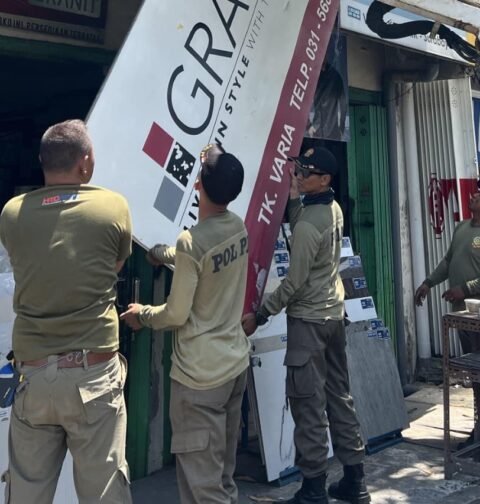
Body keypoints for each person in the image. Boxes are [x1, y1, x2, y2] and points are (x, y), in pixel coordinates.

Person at [0, 119, 133, 504]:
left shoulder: (12, 213)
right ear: (85, 162)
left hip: (34, 377)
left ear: (42, 161)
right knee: (104, 492)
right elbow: (113, 266)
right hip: (93, 376)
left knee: (25, 492)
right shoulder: (112, 207)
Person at [121, 144, 250, 504]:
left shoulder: (192, 242)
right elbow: (201, 260)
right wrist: (161, 254)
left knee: (204, 488)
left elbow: (176, 314)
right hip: (234, 366)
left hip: (200, 379)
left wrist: (142, 315)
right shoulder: (237, 228)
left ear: (198, 186)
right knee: (222, 478)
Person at [242, 147, 370, 504]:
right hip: (332, 316)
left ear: (324, 179)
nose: (298, 175)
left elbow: (294, 282)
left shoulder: (309, 225)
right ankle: (355, 481)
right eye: (298, 169)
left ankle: (313, 489)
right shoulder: (332, 209)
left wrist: (261, 314)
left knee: (307, 404)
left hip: (309, 324)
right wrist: (295, 197)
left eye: (305, 173)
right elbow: (306, 226)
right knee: (339, 397)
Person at [415, 191, 480, 448]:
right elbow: (448, 261)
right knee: (474, 375)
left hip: (477, 315)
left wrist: (465, 289)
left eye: (479, 194)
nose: (473, 196)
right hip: (462, 316)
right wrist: (428, 283)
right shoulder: (462, 228)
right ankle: (477, 430)